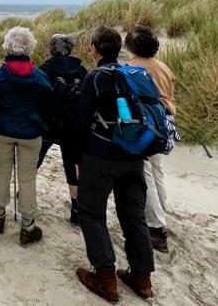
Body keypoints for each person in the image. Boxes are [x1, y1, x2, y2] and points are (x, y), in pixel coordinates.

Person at [74, 26, 155, 302]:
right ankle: (142, 278)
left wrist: (77, 158)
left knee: (92, 212)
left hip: (100, 155)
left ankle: (106, 277)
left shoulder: (95, 78)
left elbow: (82, 122)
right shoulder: (134, 74)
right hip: (134, 155)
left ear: (94, 49)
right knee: (134, 215)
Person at [0, 26, 53, 246]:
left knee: (2, 171)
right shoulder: (41, 77)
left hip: (4, 130)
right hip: (31, 133)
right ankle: (28, 225)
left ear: (7, 46)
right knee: (27, 177)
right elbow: (48, 108)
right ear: (29, 46)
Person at [125, 24, 176, 254]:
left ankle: (156, 227)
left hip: (145, 126)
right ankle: (161, 215)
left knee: (144, 173)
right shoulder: (162, 66)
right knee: (157, 171)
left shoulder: (132, 68)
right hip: (165, 122)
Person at [37, 34, 87, 226]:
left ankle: (26, 191)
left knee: (36, 157)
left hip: (49, 122)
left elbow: (39, 96)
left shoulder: (45, 69)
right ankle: (76, 207)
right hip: (73, 124)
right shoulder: (82, 70)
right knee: (72, 163)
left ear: (52, 48)